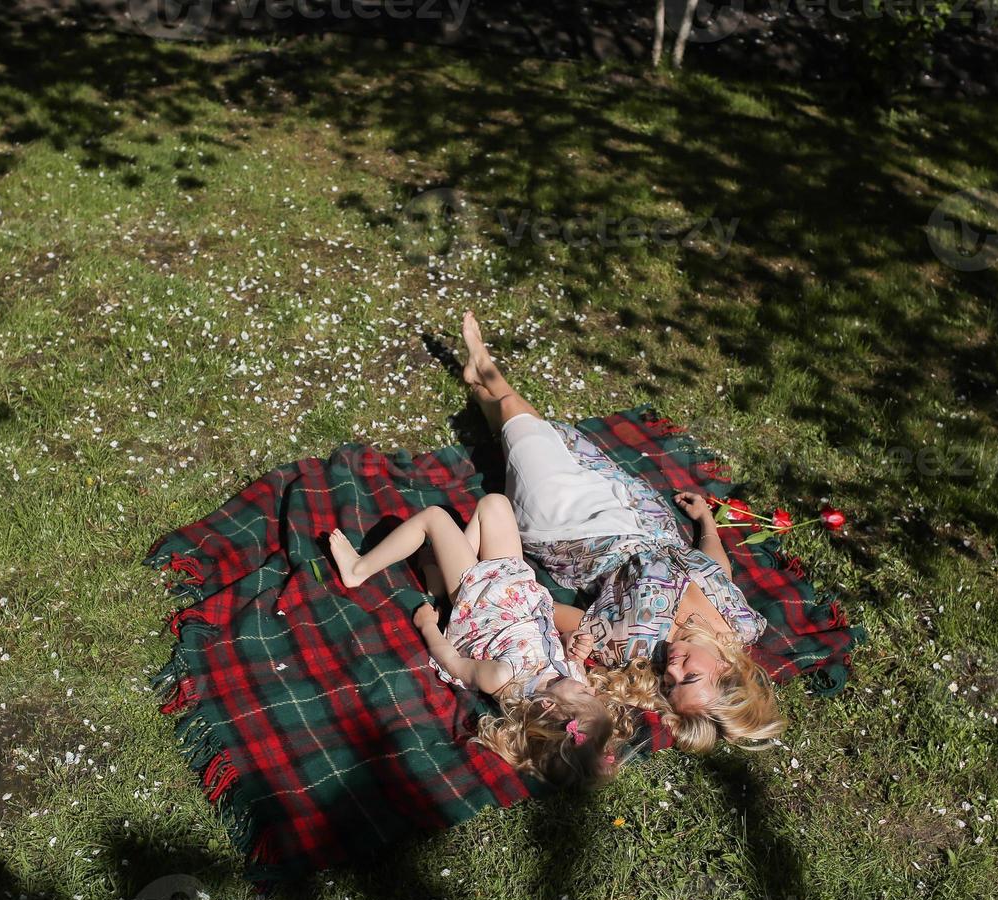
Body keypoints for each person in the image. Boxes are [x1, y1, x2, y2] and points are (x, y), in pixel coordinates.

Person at [457, 311, 786, 754]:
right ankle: (481, 385)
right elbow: (717, 569)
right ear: (729, 667)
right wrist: (707, 521)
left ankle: (483, 369)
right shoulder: (740, 627)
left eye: (671, 685)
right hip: (637, 511)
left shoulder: (637, 645)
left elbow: (544, 608)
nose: (672, 669)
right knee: (544, 435)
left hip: (571, 526)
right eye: (689, 676)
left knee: (523, 425)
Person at [329, 494, 646, 788]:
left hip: (478, 597)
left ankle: (358, 569)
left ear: (550, 706)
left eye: (584, 692)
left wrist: (429, 627)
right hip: (518, 587)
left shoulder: (504, 676)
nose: (589, 685)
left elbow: (453, 662)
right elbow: (555, 645)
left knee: (435, 518)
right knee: (494, 504)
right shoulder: (570, 678)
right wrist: (572, 644)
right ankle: (439, 571)